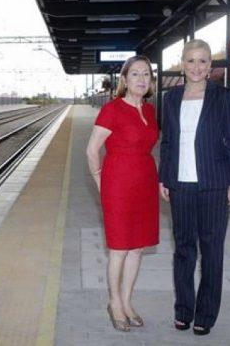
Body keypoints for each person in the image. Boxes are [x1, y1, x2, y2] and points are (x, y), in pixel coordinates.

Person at [158, 39, 230, 336]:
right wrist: (164, 177)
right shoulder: (170, 98)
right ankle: (183, 309)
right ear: (182, 63)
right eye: (191, 60)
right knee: (183, 250)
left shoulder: (223, 97)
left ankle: (206, 314)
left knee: (211, 251)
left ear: (210, 66)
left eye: (203, 61)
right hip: (180, 183)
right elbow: (167, 141)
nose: (196, 67)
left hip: (214, 184)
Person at [86, 55, 159, 332]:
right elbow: (92, 150)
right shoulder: (112, 110)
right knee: (119, 248)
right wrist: (100, 181)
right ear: (125, 80)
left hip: (145, 183)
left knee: (137, 248)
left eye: (146, 75)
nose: (141, 79)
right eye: (136, 74)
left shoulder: (150, 111)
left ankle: (128, 302)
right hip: (117, 184)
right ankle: (114, 302)